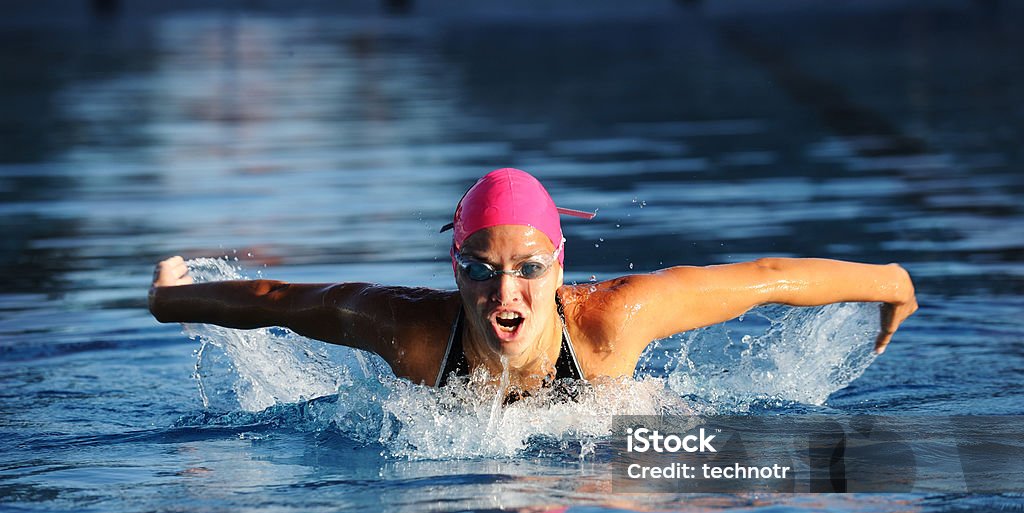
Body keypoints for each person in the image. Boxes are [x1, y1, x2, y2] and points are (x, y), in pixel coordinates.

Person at [149, 168, 917, 398]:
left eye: (527, 269)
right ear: (454, 269)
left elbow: (768, 279)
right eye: (480, 271)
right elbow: (283, 303)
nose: (503, 293)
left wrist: (887, 278)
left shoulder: (610, 322)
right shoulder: (414, 330)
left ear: (560, 267)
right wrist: (168, 298)